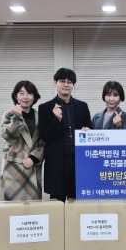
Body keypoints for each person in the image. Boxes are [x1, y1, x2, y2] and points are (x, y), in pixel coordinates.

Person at [38, 68, 92, 202]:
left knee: (77, 201)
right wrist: (56, 119)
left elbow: (90, 129)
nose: (66, 85)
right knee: (57, 202)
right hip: (56, 162)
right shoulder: (45, 108)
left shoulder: (82, 106)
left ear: (73, 85)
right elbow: (45, 136)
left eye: (69, 82)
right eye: (62, 81)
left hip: (78, 161)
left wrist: (88, 131)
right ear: (55, 83)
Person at [0, 81, 44, 201]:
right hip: (13, 168)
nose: (25, 97)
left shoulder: (40, 117)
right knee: (12, 207)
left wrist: (34, 157)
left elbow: (44, 142)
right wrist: (17, 118)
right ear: (15, 96)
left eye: (29, 93)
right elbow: (8, 137)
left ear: (34, 97)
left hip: (32, 166)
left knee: (33, 207)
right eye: (21, 93)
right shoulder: (9, 115)